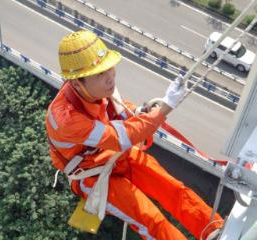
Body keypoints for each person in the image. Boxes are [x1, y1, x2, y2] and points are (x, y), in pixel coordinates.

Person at [46, 29, 223, 240]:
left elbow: (118, 109)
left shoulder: (95, 88)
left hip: (116, 156)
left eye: (109, 69)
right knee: (150, 219)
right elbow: (121, 137)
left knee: (173, 189)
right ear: (76, 83)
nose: (110, 78)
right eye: (101, 74)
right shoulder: (66, 119)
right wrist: (166, 107)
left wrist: (138, 112)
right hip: (93, 176)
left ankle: (214, 230)